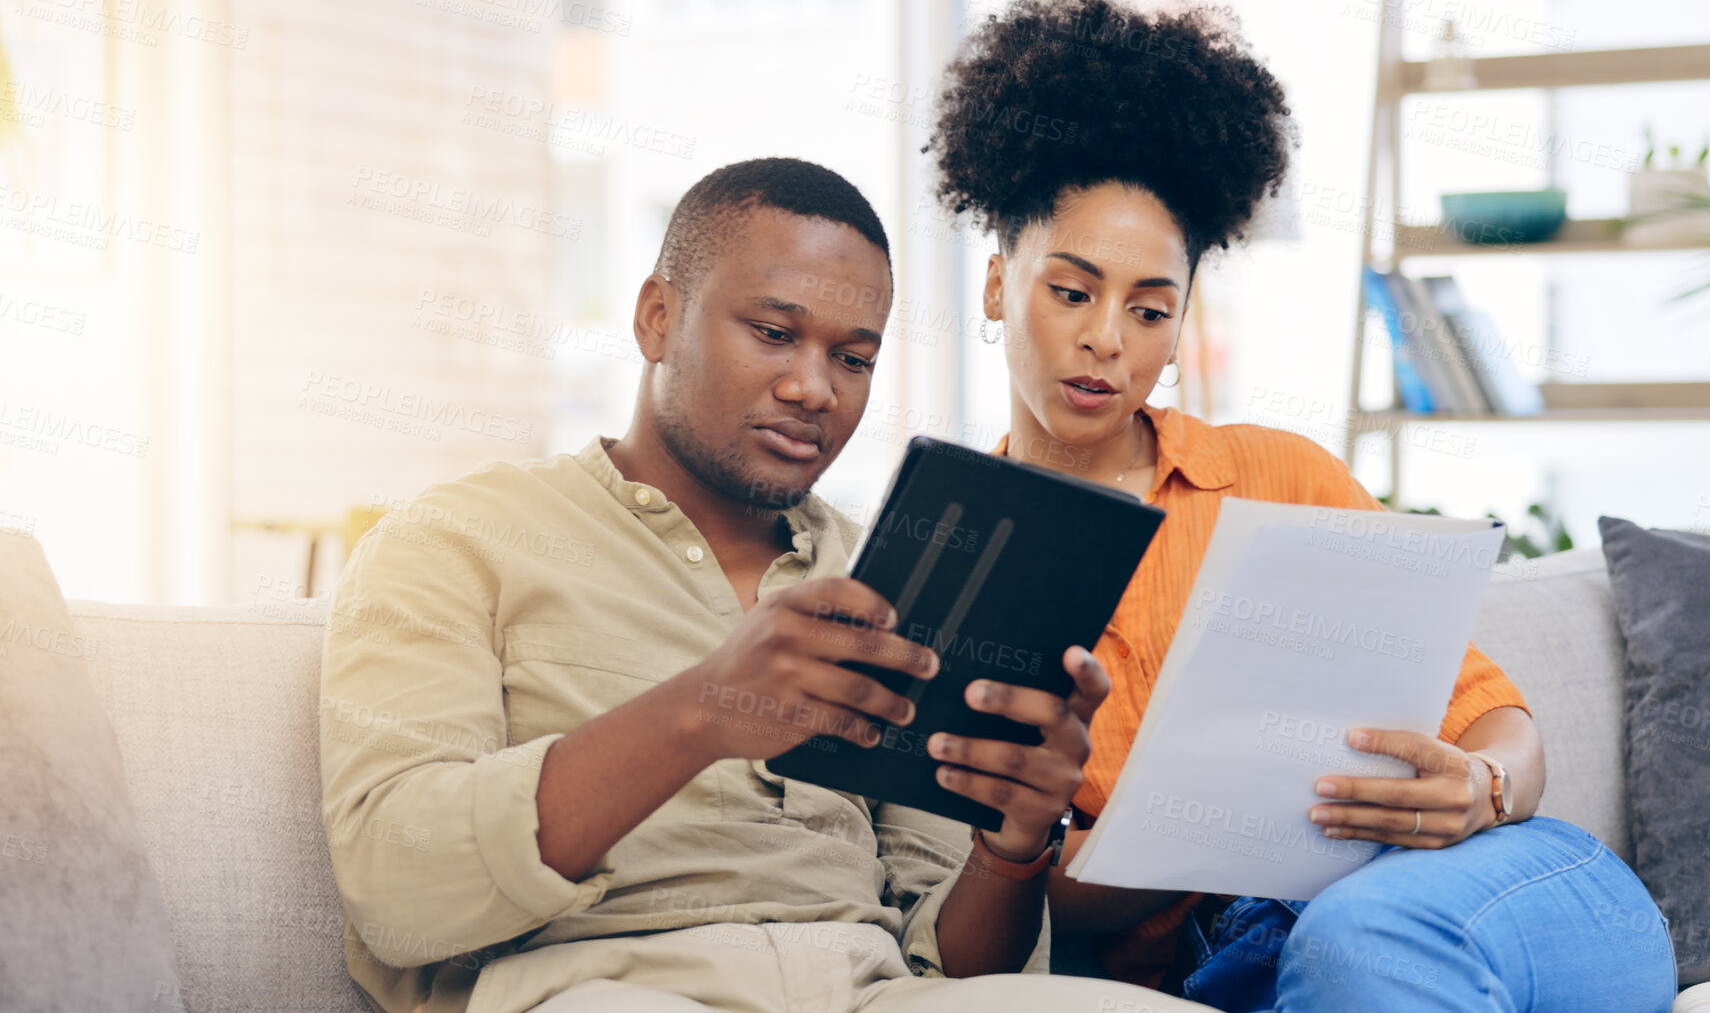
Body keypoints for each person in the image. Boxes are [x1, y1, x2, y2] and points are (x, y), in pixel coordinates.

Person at [923, 0, 1678, 1013]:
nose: (1109, 338)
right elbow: (1025, 911)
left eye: (1152, 310)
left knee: (1366, 934)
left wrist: (1480, 786)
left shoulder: (1278, 479)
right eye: (1072, 291)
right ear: (996, 283)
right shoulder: (968, 559)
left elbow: (1498, 721)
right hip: (1258, 954)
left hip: (1507, 886)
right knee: (1343, 951)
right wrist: (1204, 828)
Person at [319, 157, 1223, 1013]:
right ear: (656, 318)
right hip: (612, 986)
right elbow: (397, 892)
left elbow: (955, 966)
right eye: (774, 333)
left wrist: (1015, 846)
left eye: (854, 358)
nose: (813, 387)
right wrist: (701, 713)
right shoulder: (455, 543)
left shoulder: (888, 578)